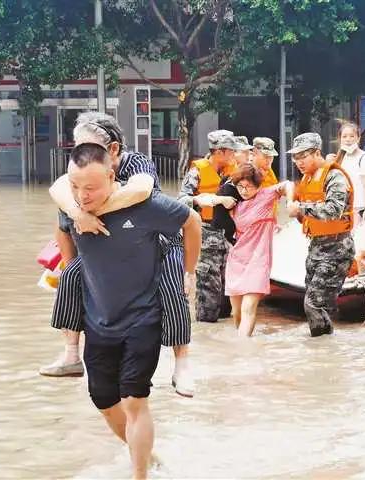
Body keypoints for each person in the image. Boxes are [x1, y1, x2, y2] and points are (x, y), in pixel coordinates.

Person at [64, 142, 201, 479]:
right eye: (76, 187)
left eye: (91, 188)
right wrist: (68, 269)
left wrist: (189, 270)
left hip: (143, 318)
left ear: (112, 176)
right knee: (103, 400)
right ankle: (147, 455)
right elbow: (62, 227)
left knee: (134, 400)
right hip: (98, 321)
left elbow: (192, 220)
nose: (83, 195)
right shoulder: (70, 205)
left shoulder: (143, 205)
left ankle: (138, 475)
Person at [43, 112, 196, 398]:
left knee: (173, 287)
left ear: (113, 150)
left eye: (90, 149)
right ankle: (71, 353)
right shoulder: (83, 179)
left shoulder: (136, 163)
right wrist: (78, 212)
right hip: (109, 244)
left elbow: (139, 192)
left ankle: (182, 362)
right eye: (78, 149)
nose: (82, 155)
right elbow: (58, 191)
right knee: (72, 275)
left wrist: (94, 206)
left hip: (156, 238)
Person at [286, 132, 355, 337]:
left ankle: (321, 347)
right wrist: (295, 205)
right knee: (314, 302)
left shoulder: (334, 176)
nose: (298, 162)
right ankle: (325, 346)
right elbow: (293, 196)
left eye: (303, 156)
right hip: (317, 246)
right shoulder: (308, 178)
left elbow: (333, 209)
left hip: (337, 247)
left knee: (313, 303)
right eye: (295, 157)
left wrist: (300, 208)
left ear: (317, 153)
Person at [178, 130, 242, 323]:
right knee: (208, 287)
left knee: (228, 288)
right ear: (220, 151)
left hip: (229, 236)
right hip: (206, 235)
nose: (234, 155)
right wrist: (208, 200)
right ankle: (206, 327)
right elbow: (181, 201)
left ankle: (222, 340)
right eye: (231, 151)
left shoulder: (234, 171)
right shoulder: (197, 171)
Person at [225, 164, 291, 336]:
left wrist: (290, 202)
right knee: (237, 312)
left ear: (258, 185)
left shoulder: (266, 195)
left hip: (258, 259)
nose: (244, 191)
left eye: (249, 186)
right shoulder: (235, 202)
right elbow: (203, 199)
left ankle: (242, 348)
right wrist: (220, 200)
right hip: (237, 259)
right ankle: (243, 344)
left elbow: (288, 185)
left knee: (248, 308)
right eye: (241, 186)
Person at [328, 122, 365, 223]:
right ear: (340, 139)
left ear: (358, 138)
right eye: (344, 136)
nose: (348, 139)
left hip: (359, 209)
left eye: (351, 136)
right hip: (344, 208)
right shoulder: (341, 157)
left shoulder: (364, 158)